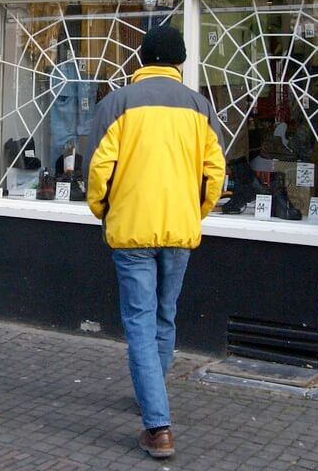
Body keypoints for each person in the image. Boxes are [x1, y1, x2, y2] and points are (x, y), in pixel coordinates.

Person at [84, 25, 225, 460]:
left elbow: (97, 171)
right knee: (165, 316)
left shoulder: (116, 104)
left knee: (140, 323)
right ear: (180, 61)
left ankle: (158, 425)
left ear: (141, 60)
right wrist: (194, 212)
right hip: (179, 230)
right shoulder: (201, 108)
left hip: (131, 230)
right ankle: (153, 396)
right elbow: (215, 173)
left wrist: (102, 210)